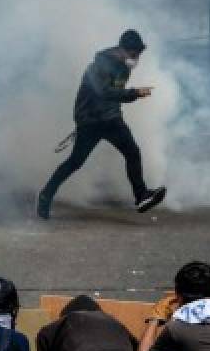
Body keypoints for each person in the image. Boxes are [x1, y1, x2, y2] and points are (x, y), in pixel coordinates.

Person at [38, 29, 166, 219]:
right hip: (91, 121)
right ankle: (45, 195)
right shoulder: (100, 66)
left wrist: (129, 98)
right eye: (134, 54)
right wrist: (135, 93)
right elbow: (103, 92)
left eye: (138, 54)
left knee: (132, 152)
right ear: (122, 50)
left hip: (111, 119)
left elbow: (115, 96)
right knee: (75, 162)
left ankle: (141, 197)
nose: (136, 58)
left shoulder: (124, 67)